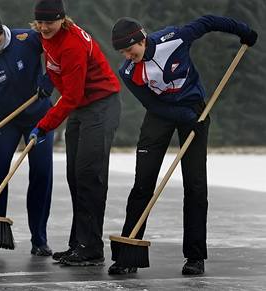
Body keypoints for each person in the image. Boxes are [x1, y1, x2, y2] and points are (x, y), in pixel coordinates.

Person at [109, 15, 257, 275]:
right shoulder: (129, 72)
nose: (127, 56)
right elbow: (152, 104)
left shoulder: (175, 38)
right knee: (143, 184)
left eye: (129, 50)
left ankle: (195, 257)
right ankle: (127, 255)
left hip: (194, 110)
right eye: (122, 52)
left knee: (196, 184)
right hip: (161, 115)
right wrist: (185, 118)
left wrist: (242, 31)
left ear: (142, 40)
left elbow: (208, 22)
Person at [29, 0, 122, 266]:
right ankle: (78, 244)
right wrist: (49, 78)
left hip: (101, 104)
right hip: (82, 106)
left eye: (50, 22)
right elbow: (60, 73)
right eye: (40, 23)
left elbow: (70, 97)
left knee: (88, 175)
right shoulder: (46, 36)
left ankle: (91, 249)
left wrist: (44, 124)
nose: (44, 28)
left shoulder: (72, 44)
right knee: (74, 176)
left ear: (62, 19)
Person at [0, 9, 55, 258]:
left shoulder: (27, 38)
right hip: (6, 120)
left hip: (40, 115)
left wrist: (51, 79)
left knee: (41, 173)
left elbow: (57, 50)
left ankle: (39, 239)